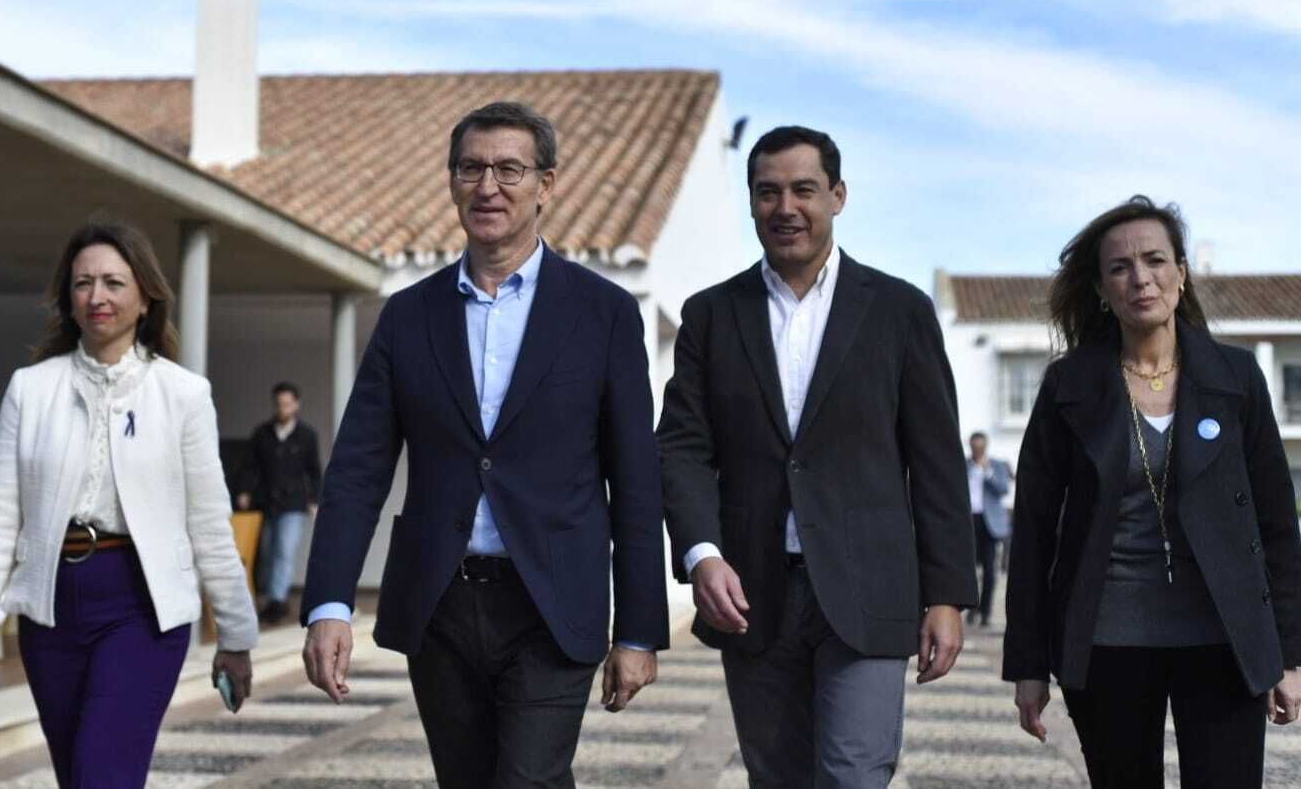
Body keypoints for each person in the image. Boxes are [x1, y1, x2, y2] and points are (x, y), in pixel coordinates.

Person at [300, 102, 668, 789]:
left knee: (526, 779)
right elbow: (357, 470)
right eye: (470, 169)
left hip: (553, 603)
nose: (488, 186)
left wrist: (639, 629)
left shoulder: (604, 314)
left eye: (508, 170)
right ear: (451, 181)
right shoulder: (408, 316)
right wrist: (329, 604)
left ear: (546, 184)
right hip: (439, 605)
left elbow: (636, 481)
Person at [656, 125, 977, 788]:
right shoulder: (711, 316)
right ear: (751, 202)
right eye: (767, 192)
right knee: (776, 779)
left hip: (869, 590)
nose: (786, 208)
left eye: (803, 190)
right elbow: (682, 448)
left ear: (838, 196)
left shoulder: (899, 311)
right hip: (752, 594)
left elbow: (937, 463)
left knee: (853, 775)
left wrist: (946, 595)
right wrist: (702, 553)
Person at [0, 219, 258, 789]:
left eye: (114, 282)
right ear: (68, 297)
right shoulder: (29, 389)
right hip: (51, 611)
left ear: (145, 298)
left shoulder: (183, 394)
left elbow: (211, 525)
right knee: (78, 777)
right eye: (83, 283)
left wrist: (235, 636)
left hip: (142, 607)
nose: (97, 297)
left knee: (101, 776)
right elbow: (0, 521)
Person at [1004, 196, 1301, 788]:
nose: (1140, 278)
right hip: (1107, 640)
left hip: (1224, 636)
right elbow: (1034, 531)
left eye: (1155, 260)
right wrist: (1028, 665)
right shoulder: (1068, 385)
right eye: (1120, 267)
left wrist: (1290, 655)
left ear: (1181, 273)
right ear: (1101, 289)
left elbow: (1276, 524)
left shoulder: (1237, 377)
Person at [234, 381, 323, 624]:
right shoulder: (262, 433)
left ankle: (277, 600)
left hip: (294, 503)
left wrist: (314, 499)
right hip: (267, 502)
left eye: (287, 404)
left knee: (284, 550)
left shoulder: (307, 435)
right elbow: (249, 466)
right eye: (279, 404)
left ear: (296, 404)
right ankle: (270, 598)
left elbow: (314, 471)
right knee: (267, 552)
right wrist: (244, 491)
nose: (283, 408)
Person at [964, 431, 1012, 627]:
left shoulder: (997, 465)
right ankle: (972, 609)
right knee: (970, 570)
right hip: (968, 521)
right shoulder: (963, 465)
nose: (977, 450)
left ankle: (985, 612)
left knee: (990, 570)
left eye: (980, 447)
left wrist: (988, 472)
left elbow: (1003, 489)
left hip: (989, 523)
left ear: (985, 446)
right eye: (974, 447)